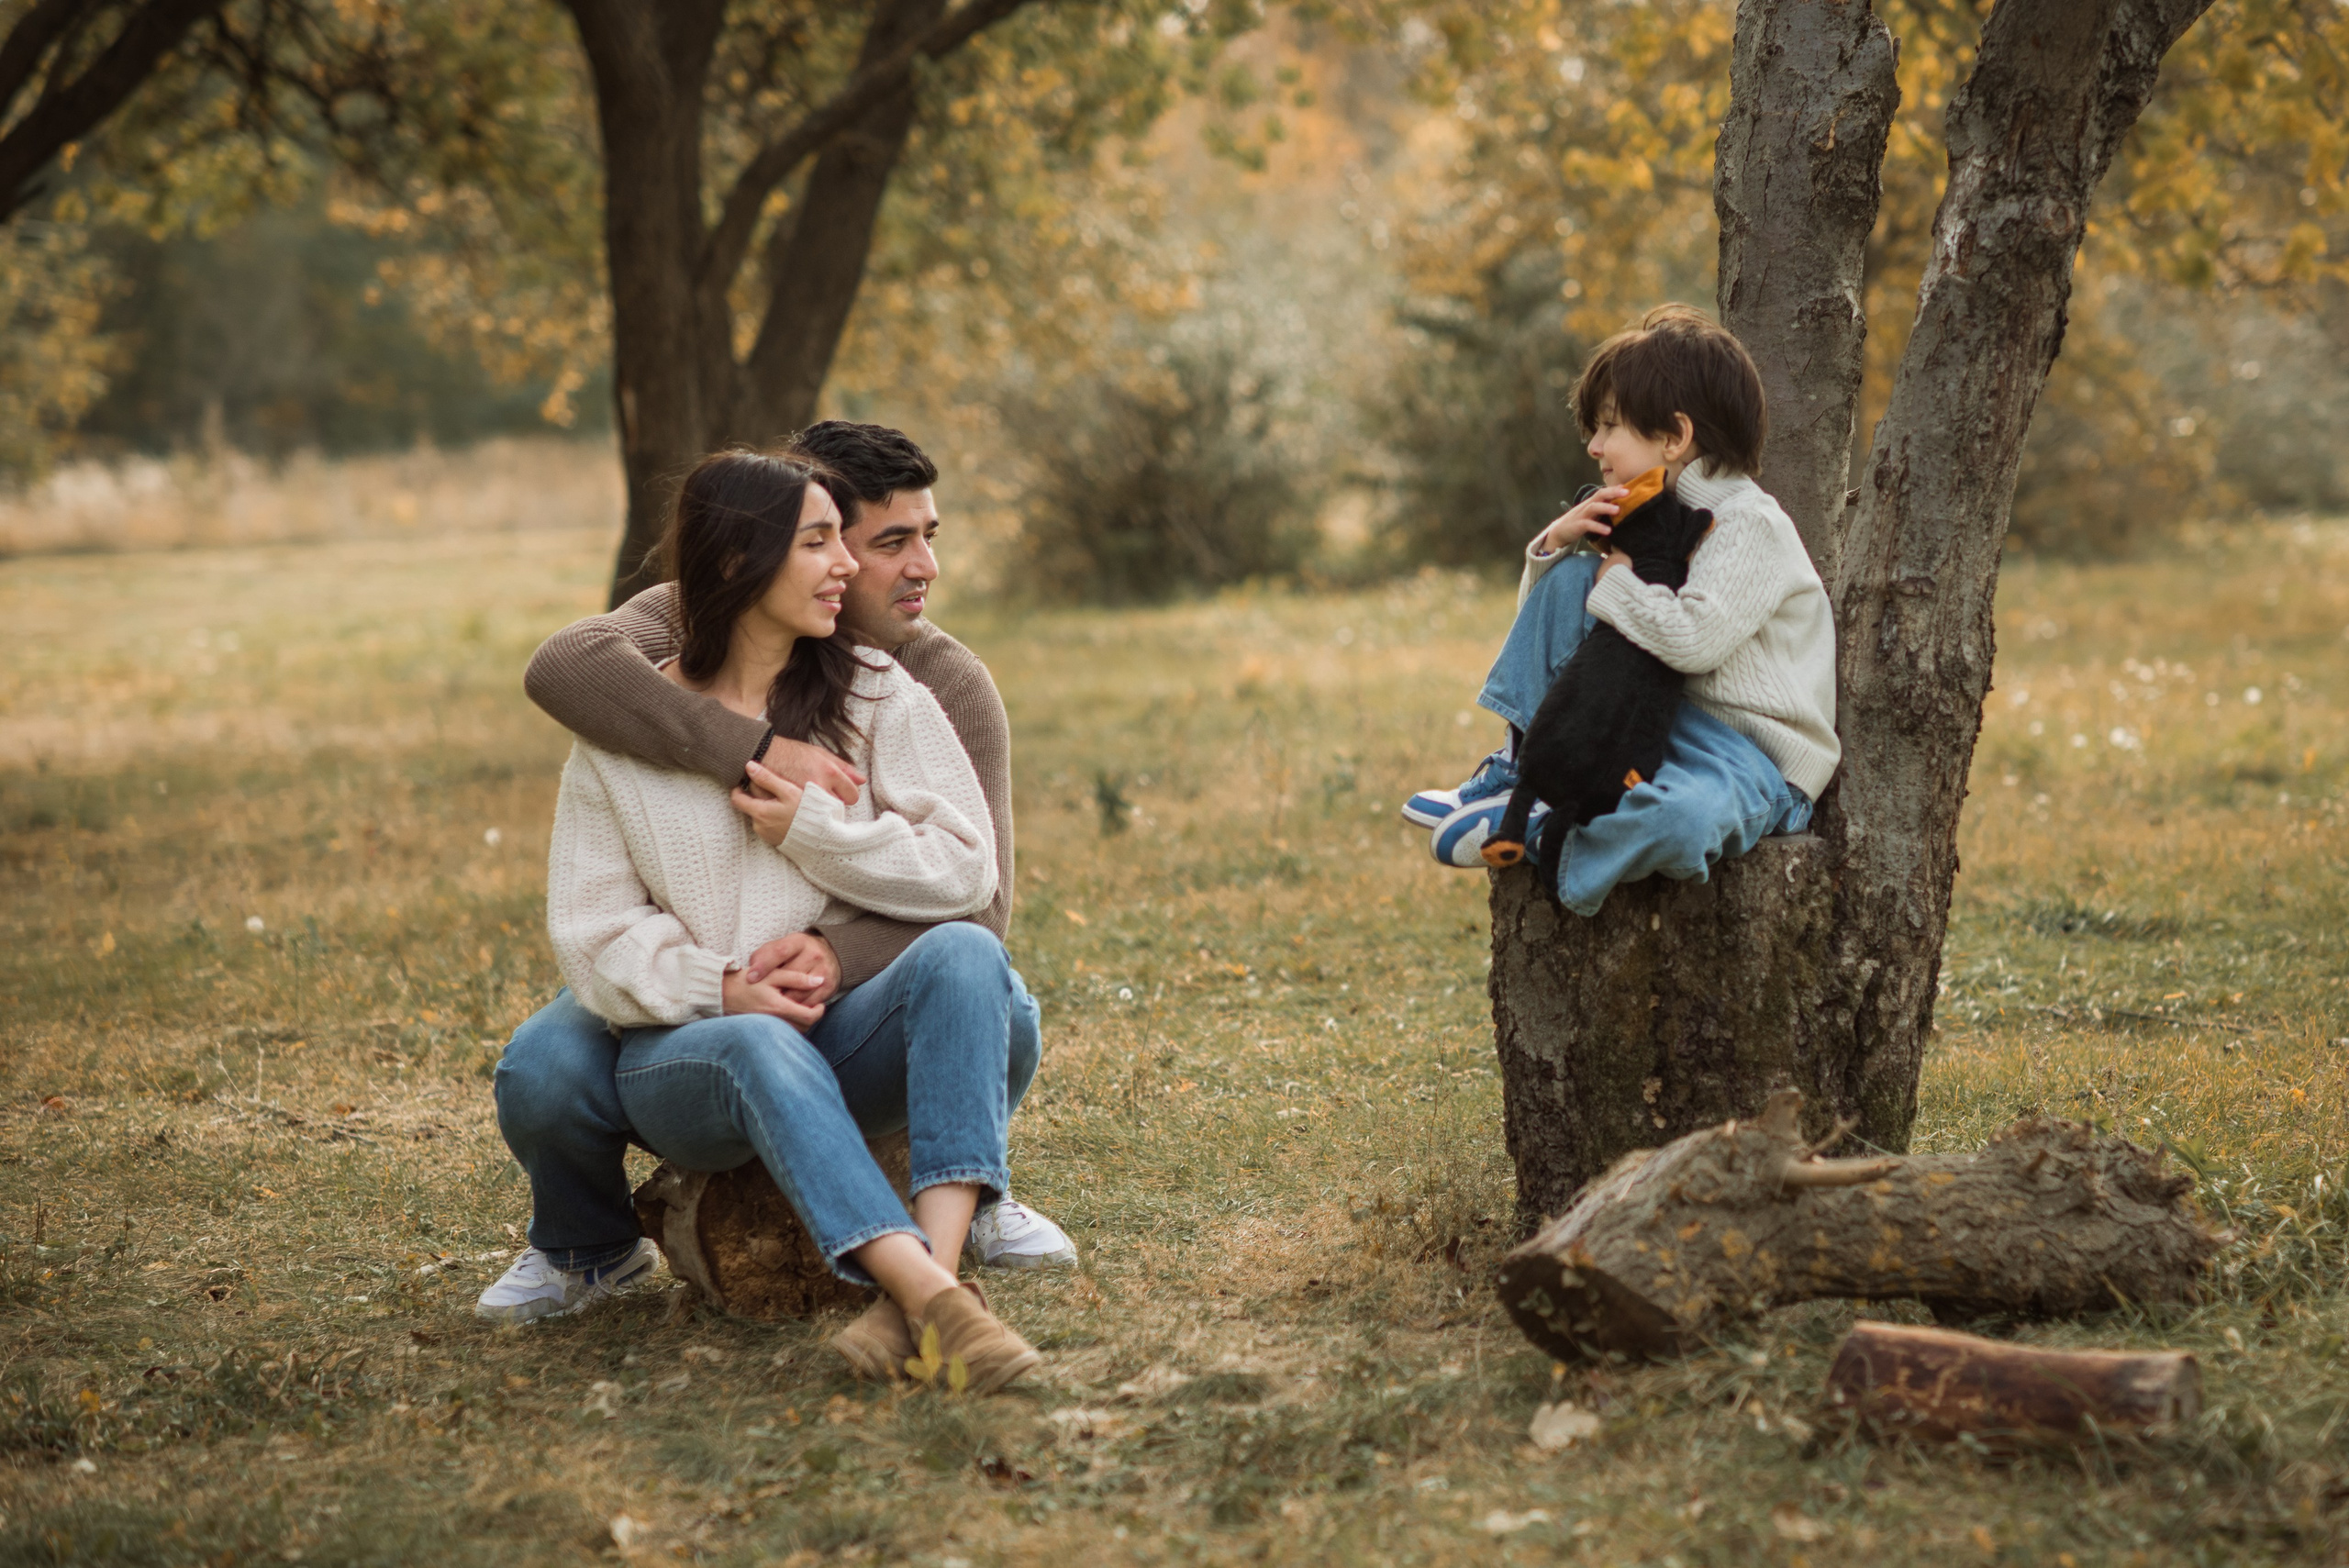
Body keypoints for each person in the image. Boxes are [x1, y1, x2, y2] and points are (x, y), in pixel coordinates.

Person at [481, 423, 1074, 1334]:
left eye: (924, 537)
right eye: (873, 540)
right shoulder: (649, 666)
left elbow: (975, 894)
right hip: (698, 1018)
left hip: (852, 998)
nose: (916, 567)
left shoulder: (916, 684)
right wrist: (757, 758)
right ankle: (585, 1244)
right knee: (549, 1065)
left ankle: (943, 1254)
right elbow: (565, 674)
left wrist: (826, 913)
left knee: (980, 981)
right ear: (743, 557)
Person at [1405, 305, 1839, 914]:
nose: (1594, 446)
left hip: (1749, 761)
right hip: (1658, 725)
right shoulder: (1649, 518)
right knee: (1570, 580)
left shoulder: (1749, 523)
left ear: (1675, 437)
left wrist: (1612, 583)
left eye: (1610, 426)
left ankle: (1551, 842)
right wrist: (1556, 546)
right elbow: (1557, 633)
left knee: (1681, 822)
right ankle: (1518, 776)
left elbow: (1694, 641)